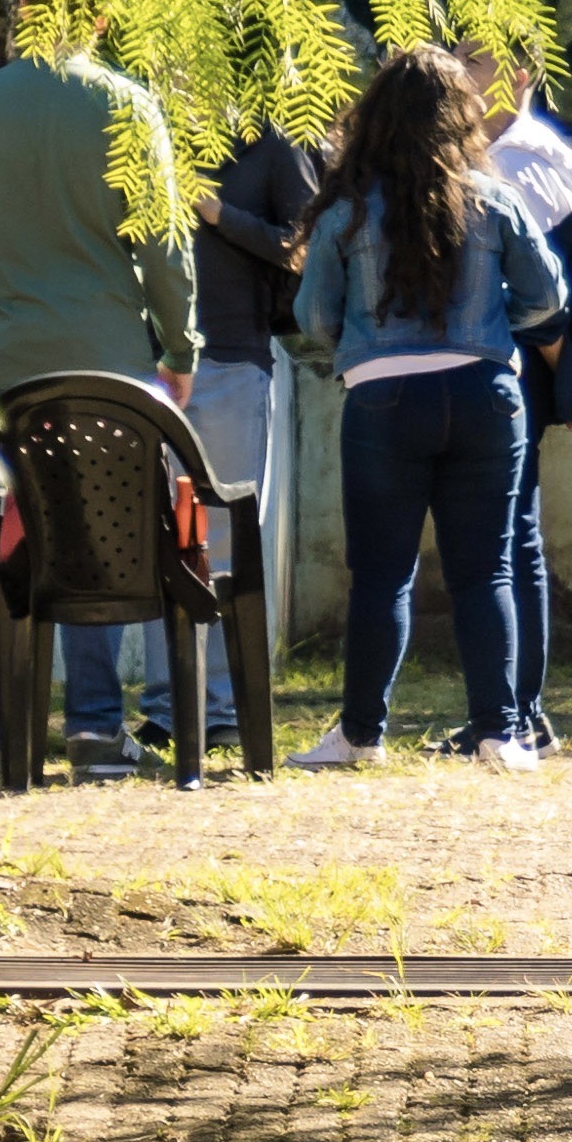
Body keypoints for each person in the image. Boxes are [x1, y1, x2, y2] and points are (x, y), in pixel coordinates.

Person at [0, 0, 206, 773]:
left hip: (3, 371)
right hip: (108, 369)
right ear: (101, 18)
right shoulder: (129, 106)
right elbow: (164, 250)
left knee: (1, 534)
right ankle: (92, 725)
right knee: (101, 537)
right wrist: (180, 347)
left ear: (21, 7)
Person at [292, 47, 571, 770]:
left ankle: (361, 735)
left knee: (381, 573)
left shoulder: (348, 209)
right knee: (486, 570)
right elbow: (548, 297)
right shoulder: (493, 199)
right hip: (486, 395)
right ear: (462, 119)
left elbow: (314, 316)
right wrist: (490, 324)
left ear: (375, 118)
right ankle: (500, 734)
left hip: (383, 397)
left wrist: (367, 341)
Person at [474, 48, 572, 754]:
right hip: (501, 362)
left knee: (511, 536)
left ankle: (520, 712)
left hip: (521, 366)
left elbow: (550, 294)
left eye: (474, 59)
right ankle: (513, 709)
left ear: (519, 76)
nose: (460, 71)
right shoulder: (495, 152)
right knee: (501, 535)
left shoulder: (526, 161)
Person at [188, 115, 330, 744]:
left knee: (222, 539)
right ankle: (169, 704)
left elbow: (307, 250)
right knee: (161, 540)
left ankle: (220, 709)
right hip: (151, 363)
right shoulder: (148, 136)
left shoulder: (275, 143)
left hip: (231, 358)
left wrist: (219, 215)